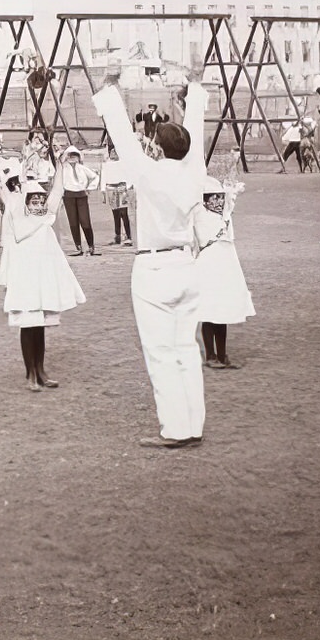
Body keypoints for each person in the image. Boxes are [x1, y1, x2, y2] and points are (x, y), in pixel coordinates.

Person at [94, 66, 208, 450]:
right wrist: (194, 87)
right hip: (187, 265)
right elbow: (196, 130)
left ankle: (176, 429)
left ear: (157, 148)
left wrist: (111, 91)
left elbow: (124, 140)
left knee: (161, 353)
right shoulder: (194, 171)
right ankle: (192, 425)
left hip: (155, 268)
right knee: (186, 350)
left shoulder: (149, 172)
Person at [0, 165, 84, 392]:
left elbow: (58, 191)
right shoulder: (18, 217)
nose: (39, 205)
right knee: (28, 324)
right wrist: (10, 174)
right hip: (25, 281)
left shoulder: (46, 217)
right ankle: (30, 374)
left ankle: (41, 371)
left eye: (41, 201)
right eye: (34, 201)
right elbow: (6, 191)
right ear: (25, 202)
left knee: (39, 326)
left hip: (42, 280)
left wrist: (62, 166)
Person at [194, 176, 254, 368]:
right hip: (208, 265)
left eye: (220, 198)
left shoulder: (225, 215)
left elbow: (232, 198)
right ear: (205, 200)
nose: (219, 202)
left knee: (223, 310)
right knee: (209, 309)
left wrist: (230, 190)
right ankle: (210, 355)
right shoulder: (200, 215)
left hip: (226, 265)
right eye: (214, 198)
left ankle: (222, 354)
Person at [60, 145, 101, 256]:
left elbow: (95, 177)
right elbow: (58, 181)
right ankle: (78, 247)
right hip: (68, 196)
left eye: (75, 156)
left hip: (81, 195)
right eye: (70, 156)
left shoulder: (82, 168)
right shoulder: (62, 168)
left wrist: (90, 188)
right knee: (73, 222)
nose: (73, 158)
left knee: (85, 221)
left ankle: (91, 246)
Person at [101, 148, 132, 246]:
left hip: (121, 187)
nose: (113, 153)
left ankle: (128, 236)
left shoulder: (123, 164)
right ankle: (117, 236)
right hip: (111, 188)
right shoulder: (106, 165)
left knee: (124, 213)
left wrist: (127, 187)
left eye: (115, 152)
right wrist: (103, 191)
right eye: (112, 152)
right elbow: (103, 177)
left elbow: (129, 175)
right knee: (115, 214)